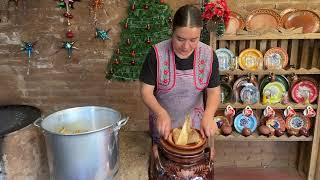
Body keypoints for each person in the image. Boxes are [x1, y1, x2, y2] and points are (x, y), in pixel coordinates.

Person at [140, 4, 220, 149]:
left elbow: (213, 91)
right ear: (172, 30)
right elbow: (146, 92)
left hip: (196, 127)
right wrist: (160, 113)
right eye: (180, 39)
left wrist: (209, 115)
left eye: (193, 40)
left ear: (200, 33)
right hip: (164, 126)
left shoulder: (209, 55)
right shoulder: (156, 54)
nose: (186, 46)